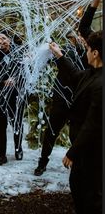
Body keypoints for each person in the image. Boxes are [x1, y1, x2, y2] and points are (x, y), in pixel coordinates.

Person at [49, 30, 102, 214]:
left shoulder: (101, 84)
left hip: (92, 149)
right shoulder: (92, 73)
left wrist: (72, 153)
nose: (85, 52)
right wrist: (59, 56)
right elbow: (75, 75)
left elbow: (93, 124)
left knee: (91, 193)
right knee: (77, 184)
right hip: (84, 148)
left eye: (87, 48)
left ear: (95, 53)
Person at [34, 30, 87, 176]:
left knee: (75, 134)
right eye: (74, 37)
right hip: (61, 99)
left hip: (78, 100)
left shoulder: (88, 54)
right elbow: (48, 60)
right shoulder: (62, 51)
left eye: (80, 37)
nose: (78, 39)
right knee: (51, 131)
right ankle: (43, 162)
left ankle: (77, 163)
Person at [0, 32, 25, 167]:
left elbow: (25, 72)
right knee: (0, 126)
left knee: (17, 122)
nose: (0, 41)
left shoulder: (18, 54)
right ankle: (1, 156)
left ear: (9, 40)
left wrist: (15, 79)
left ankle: (18, 148)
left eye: (3, 38)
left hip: (16, 95)